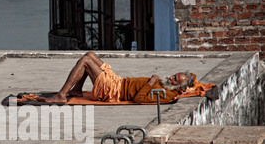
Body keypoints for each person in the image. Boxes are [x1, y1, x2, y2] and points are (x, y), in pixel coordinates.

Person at [45, 52, 195, 104]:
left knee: (85, 62)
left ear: (177, 87)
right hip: (119, 81)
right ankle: (77, 90)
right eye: (174, 75)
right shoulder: (166, 84)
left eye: (174, 79)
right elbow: (195, 81)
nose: (170, 77)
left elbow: (138, 99)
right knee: (90, 54)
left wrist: (150, 82)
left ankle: (62, 95)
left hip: (114, 91)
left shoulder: (166, 94)